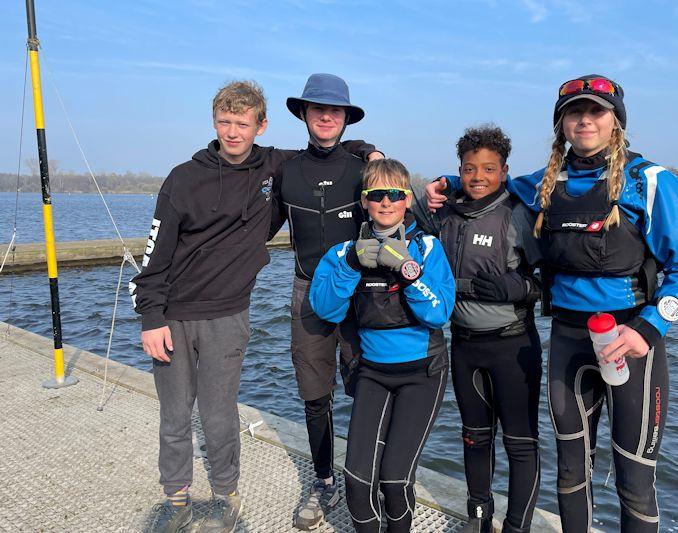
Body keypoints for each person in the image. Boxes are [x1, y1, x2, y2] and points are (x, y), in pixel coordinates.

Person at [427, 75, 678, 532]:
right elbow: (489, 184)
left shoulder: (650, 181)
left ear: (616, 120)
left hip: (631, 340)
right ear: (560, 124)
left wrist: (649, 327)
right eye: (574, 113)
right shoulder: (544, 183)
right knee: (570, 470)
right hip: (568, 341)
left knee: (634, 475)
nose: (585, 121)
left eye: (596, 111)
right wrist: (444, 182)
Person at [130, 80, 377, 533]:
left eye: (241, 123)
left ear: (259, 126)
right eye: (224, 122)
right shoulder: (220, 174)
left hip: (305, 301)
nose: (232, 131)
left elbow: (355, 169)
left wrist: (372, 151)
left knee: (361, 392)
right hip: (224, 306)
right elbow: (163, 250)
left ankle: (356, 481)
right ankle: (184, 496)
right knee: (186, 411)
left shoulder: (321, 166)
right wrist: (152, 313)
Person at [310, 159, 455, 533]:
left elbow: (439, 313)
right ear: (364, 201)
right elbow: (325, 308)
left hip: (422, 373)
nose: (386, 203)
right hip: (371, 372)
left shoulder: (427, 247)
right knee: (357, 483)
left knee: (394, 481)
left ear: (407, 200)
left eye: (395, 195)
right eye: (377, 195)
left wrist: (408, 271)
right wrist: (352, 266)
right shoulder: (343, 252)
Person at [413, 125, 543, 533]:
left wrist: (519, 286)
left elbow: (552, 280)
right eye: (469, 169)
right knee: (474, 437)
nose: (478, 177)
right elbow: (405, 215)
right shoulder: (446, 214)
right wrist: (434, 189)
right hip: (465, 346)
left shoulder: (518, 216)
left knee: (519, 444)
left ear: (504, 171)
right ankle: (478, 516)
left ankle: (517, 525)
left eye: (489, 168)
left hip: (513, 345)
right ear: (459, 171)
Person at [268, 73, 383, 530]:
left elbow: (396, 215)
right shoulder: (286, 172)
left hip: (359, 292)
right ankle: (322, 479)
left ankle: (366, 476)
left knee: (367, 387)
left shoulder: (363, 170)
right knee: (315, 395)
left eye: (336, 110)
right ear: (303, 114)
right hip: (307, 292)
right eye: (318, 108)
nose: (327, 116)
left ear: (346, 118)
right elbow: (256, 233)